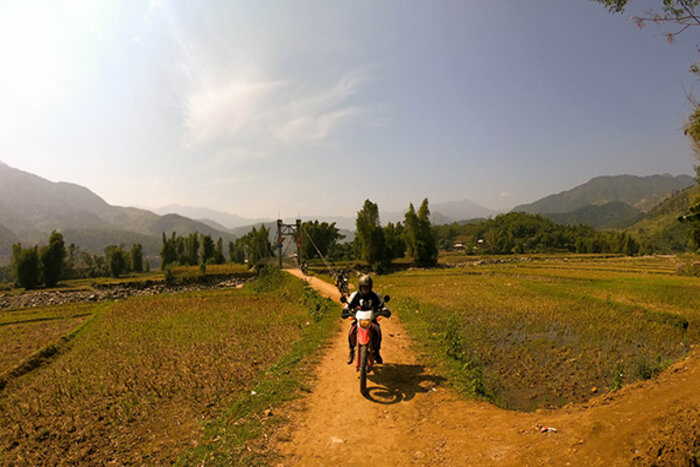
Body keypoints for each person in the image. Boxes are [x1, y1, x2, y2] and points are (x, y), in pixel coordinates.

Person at [343, 274, 387, 365]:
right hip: (359, 319)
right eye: (363, 287)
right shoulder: (356, 295)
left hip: (372, 319)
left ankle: (377, 352)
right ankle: (351, 352)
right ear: (360, 286)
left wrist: (385, 311)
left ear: (370, 287)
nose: (365, 289)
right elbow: (348, 304)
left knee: (378, 331)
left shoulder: (375, 295)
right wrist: (345, 310)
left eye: (367, 287)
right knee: (351, 332)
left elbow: (383, 305)